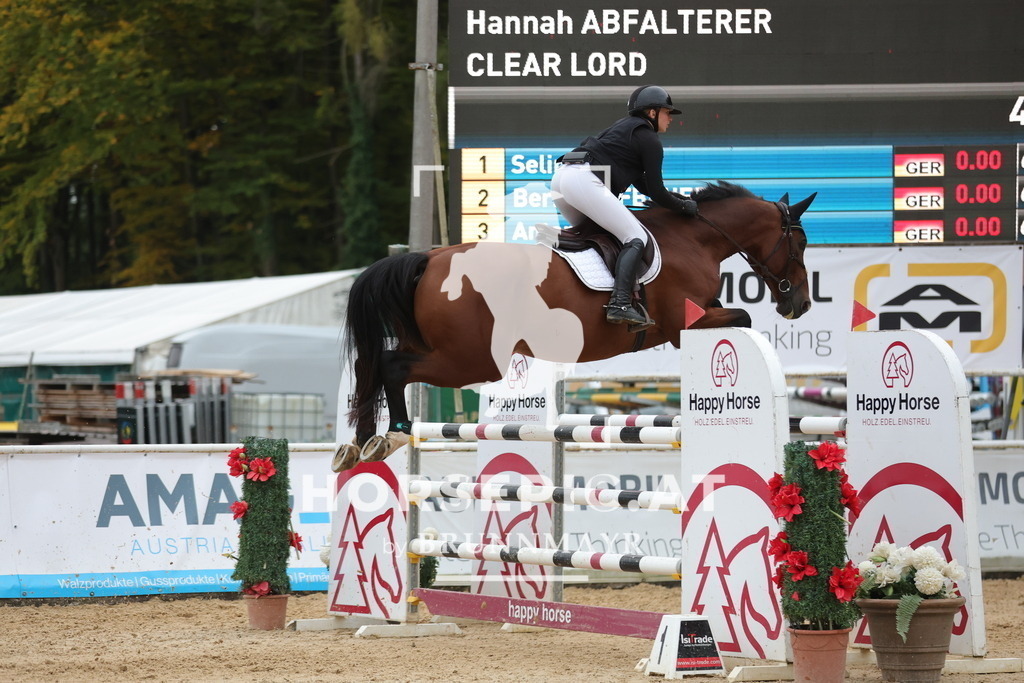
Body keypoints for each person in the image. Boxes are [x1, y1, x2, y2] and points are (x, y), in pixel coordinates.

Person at [551, 85, 697, 328]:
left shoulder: (624, 129)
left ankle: (589, 288)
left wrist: (679, 202)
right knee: (636, 237)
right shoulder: (649, 139)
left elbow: (645, 187)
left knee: (600, 236)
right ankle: (619, 304)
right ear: (652, 113)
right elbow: (658, 192)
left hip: (561, 179)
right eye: (666, 112)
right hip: (584, 180)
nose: (670, 118)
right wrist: (684, 207)